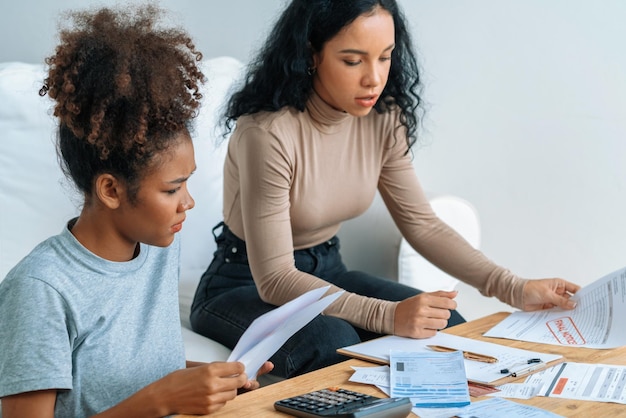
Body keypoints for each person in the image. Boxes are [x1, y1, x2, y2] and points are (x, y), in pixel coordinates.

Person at [190, 0, 580, 379]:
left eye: (385, 56)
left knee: (447, 327)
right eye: (353, 60)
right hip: (242, 283)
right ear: (311, 54)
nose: (374, 78)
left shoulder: (382, 118)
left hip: (329, 270)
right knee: (332, 343)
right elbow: (275, 277)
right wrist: (388, 315)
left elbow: (423, 224)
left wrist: (514, 288)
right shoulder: (267, 133)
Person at [0, 5, 272, 418]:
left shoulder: (159, 248)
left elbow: (130, 379)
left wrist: (214, 380)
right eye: (172, 188)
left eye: (188, 181)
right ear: (110, 189)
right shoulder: (42, 290)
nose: (188, 202)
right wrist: (164, 399)